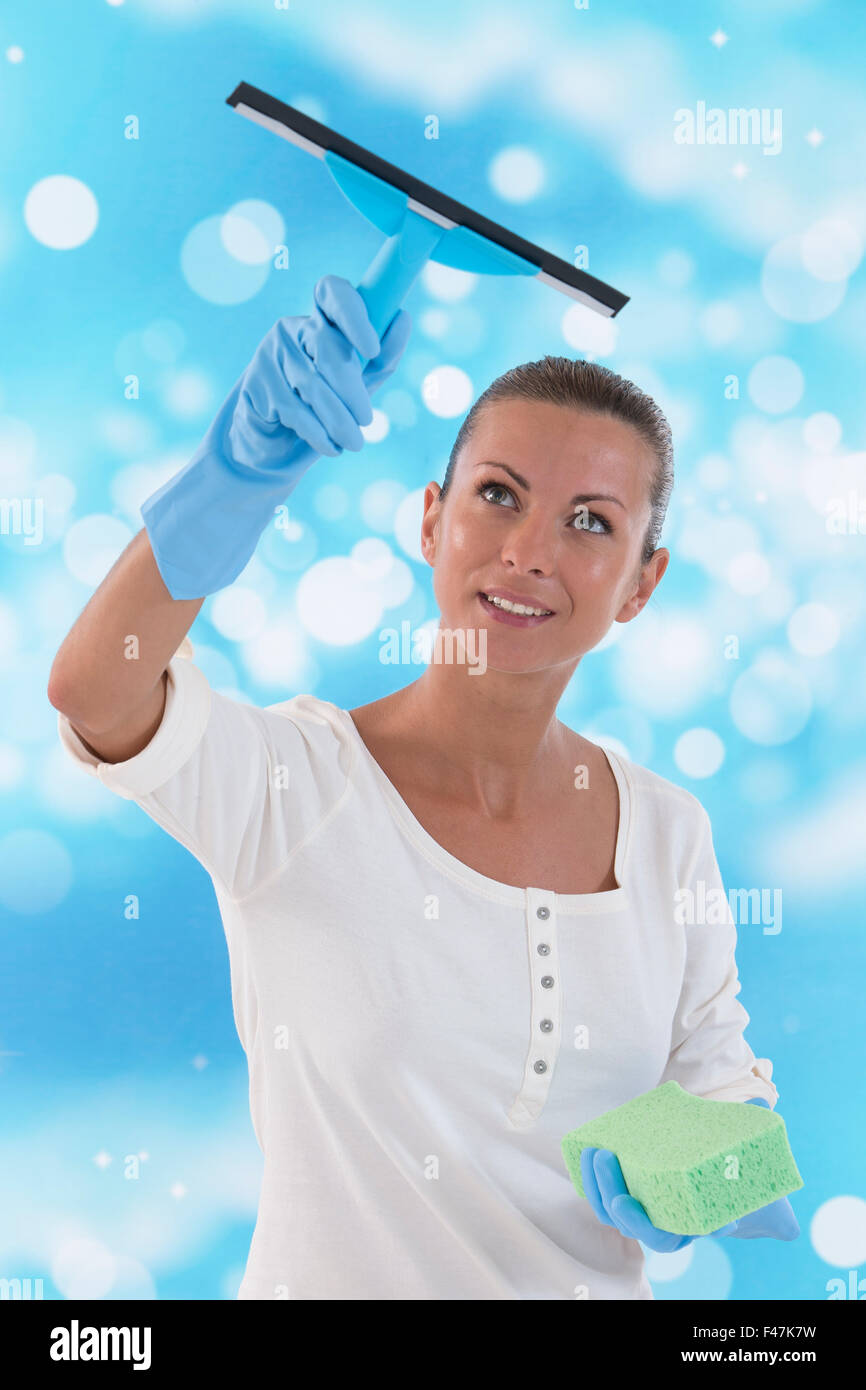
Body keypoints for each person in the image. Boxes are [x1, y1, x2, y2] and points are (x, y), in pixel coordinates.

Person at [48, 276, 794, 1301]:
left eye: (588, 521)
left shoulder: (667, 832)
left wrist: (709, 1176)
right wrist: (232, 480)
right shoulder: (292, 789)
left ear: (640, 583)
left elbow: (727, 1101)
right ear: (430, 520)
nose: (527, 551)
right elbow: (98, 686)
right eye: (498, 495)